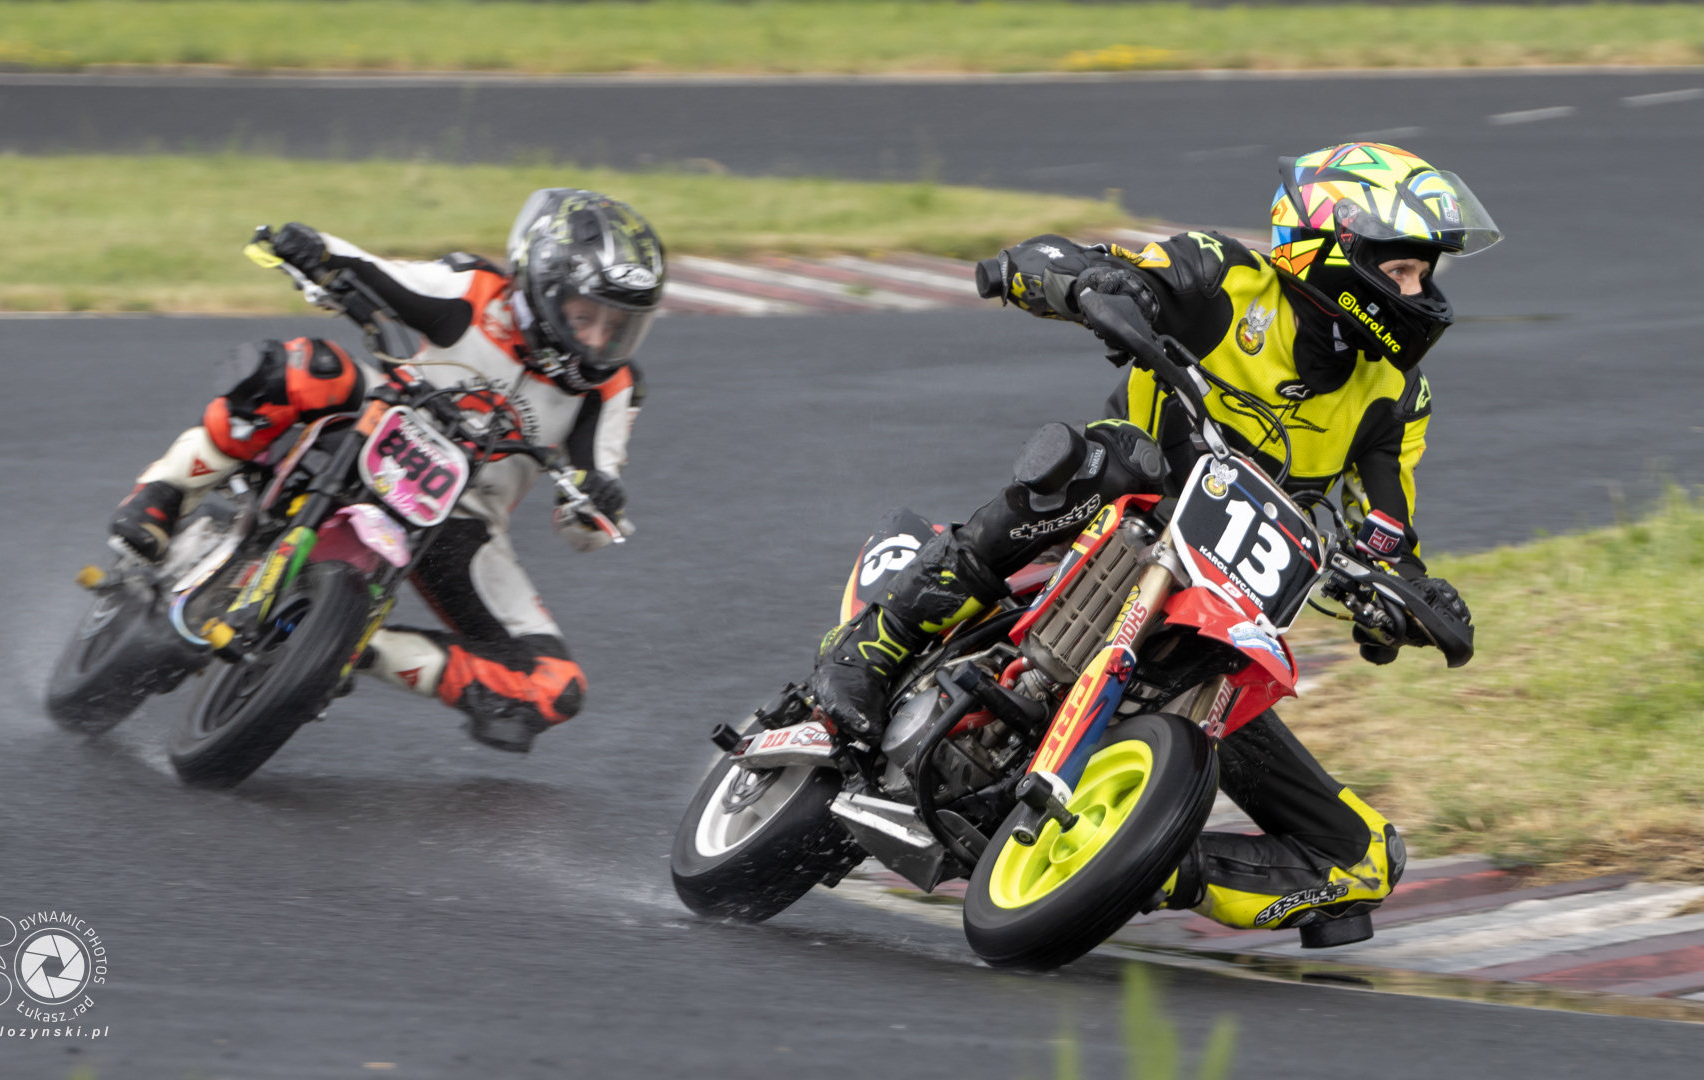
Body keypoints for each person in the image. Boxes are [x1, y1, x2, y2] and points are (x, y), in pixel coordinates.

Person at [813, 142, 1496, 938]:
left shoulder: (1397, 395)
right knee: (1111, 459)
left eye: (1424, 275)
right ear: (1332, 247)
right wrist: (1088, 283)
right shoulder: (1225, 276)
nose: (1419, 293)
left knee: (1364, 862)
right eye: (1402, 270)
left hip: (1213, 621)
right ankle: (878, 643)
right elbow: (1100, 265)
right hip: (1105, 531)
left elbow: (1387, 534)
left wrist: (1406, 599)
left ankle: (1141, 863)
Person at [109, 189, 664, 753]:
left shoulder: (613, 387)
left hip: (459, 519)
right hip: (383, 420)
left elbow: (588, 516)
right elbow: (373, 269)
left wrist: (597, 504)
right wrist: (313, 250)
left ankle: (348, 647)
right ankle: (162, 494)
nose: (598, 340)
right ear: (542, 288)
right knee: (308, 367)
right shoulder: (474, 291)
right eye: (584, 316)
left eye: (619, 326)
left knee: (554, 687)